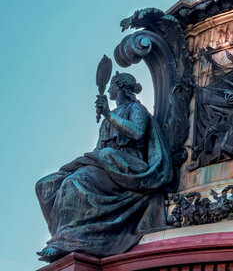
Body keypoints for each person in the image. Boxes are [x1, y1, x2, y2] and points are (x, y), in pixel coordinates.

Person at [36, 72, 172, 262]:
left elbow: (137, 133)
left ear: (121, 87)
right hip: (106, 162)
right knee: (46, 185)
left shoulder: (136, 109)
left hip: (127, 164)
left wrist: (107, 114)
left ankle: (65, 241)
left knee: (72, 184)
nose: (109, 90)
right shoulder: (111, 117)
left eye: (112, 86)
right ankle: (62, 235)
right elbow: (99, 148)